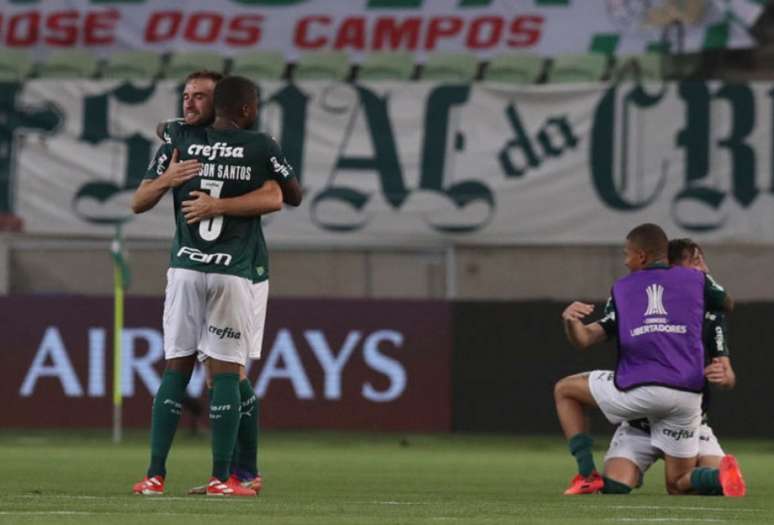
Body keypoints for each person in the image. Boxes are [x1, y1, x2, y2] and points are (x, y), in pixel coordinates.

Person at [131, 76, 294, 496]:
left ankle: (173, 474)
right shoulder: (254, 145)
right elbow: (283, 194)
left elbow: (276, 197)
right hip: (234, 269)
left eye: (199, 96)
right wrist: (170, 177)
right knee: (227, 373)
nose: (189, 102)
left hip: (207, 269)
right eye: (184, 95)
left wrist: (172, 135)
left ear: (218, 100)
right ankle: (231, 476)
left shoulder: (180, 138)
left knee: (203, 371)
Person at [554, 223, 745, 497]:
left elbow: (584, 340)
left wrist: (570, 320)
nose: (624, 260)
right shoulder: (698, 286)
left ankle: (586, 474)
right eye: (697, 260)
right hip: (681, 401)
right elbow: (726, 301)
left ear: (641, 256)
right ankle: (718, 477)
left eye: (626, 254)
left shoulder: (625, 290)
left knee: (564, 389)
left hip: (646, 393)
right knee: (678, 485)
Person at [601, 239, 742, 495]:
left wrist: (725, 374)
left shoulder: (710, 312)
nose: (705, 268)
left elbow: (727, 371)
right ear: (675, 269)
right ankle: (630, 469)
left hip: (688, 421)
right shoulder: (640, 303)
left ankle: (714, 477)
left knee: (703, 484)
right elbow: (604, 330)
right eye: (697, 261)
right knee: (614, 487)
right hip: (640, 423)